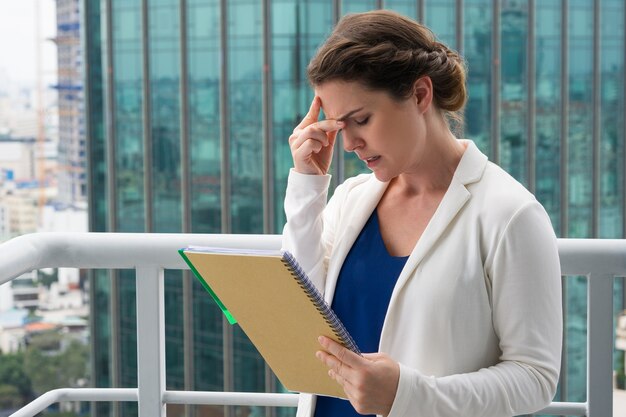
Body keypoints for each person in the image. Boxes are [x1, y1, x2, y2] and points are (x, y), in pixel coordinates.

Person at [282, 9, 562, 417]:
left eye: (361, 120)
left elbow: (535, 378)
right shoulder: (351, 197)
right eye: (341, 127)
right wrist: (307, 185)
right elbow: (302, 312)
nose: (349, 144)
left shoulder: (509, 214)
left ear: (419, 95)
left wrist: (408, 395)